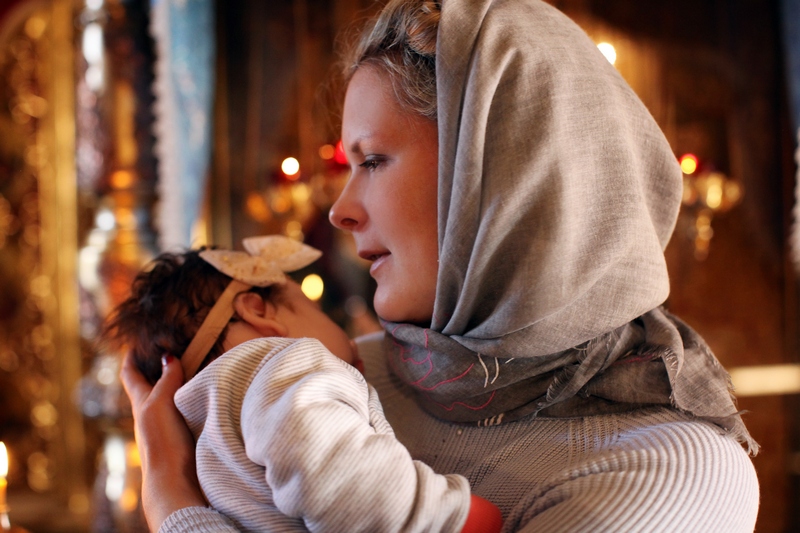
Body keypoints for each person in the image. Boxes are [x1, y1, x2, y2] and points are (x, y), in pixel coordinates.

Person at [121, 0, 761, 531]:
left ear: (502, 174)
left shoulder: (672, 472)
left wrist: (173, 504)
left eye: (372, 161)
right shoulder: (337, 372)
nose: (340, 211)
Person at [108, 235, 502, 533]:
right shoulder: (280, 364)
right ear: (259, 311)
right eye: (310, 306)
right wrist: (441, 516)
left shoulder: (207, 444)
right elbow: (322, 460)